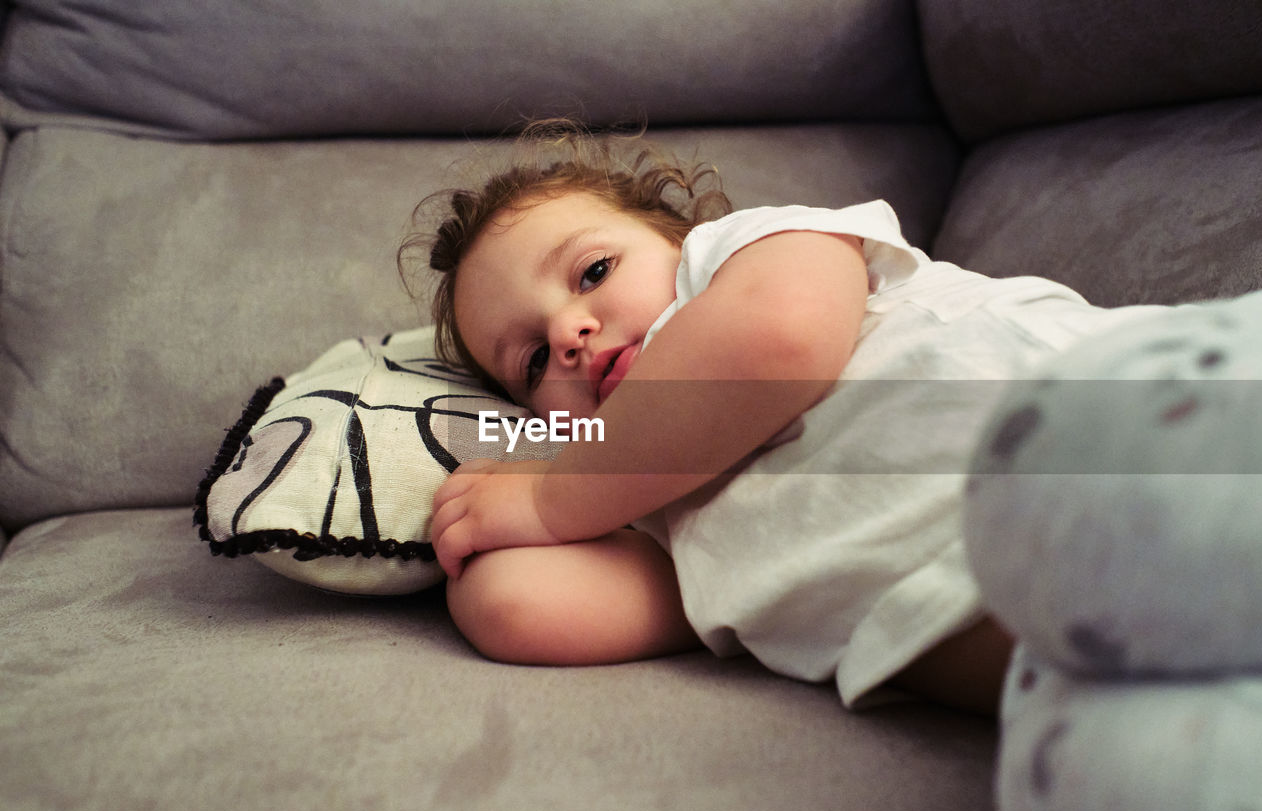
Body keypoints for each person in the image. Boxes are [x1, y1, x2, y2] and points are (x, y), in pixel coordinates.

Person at [398, 124, 1162, 716]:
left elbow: (780, 339)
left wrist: (546, 498)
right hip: (1088, 662)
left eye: (595, 272)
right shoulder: (650, 509)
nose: (569, 332)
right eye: (532, 362)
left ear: (677, 237)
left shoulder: (749, 259)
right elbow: (517, 604)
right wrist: (514, 514)